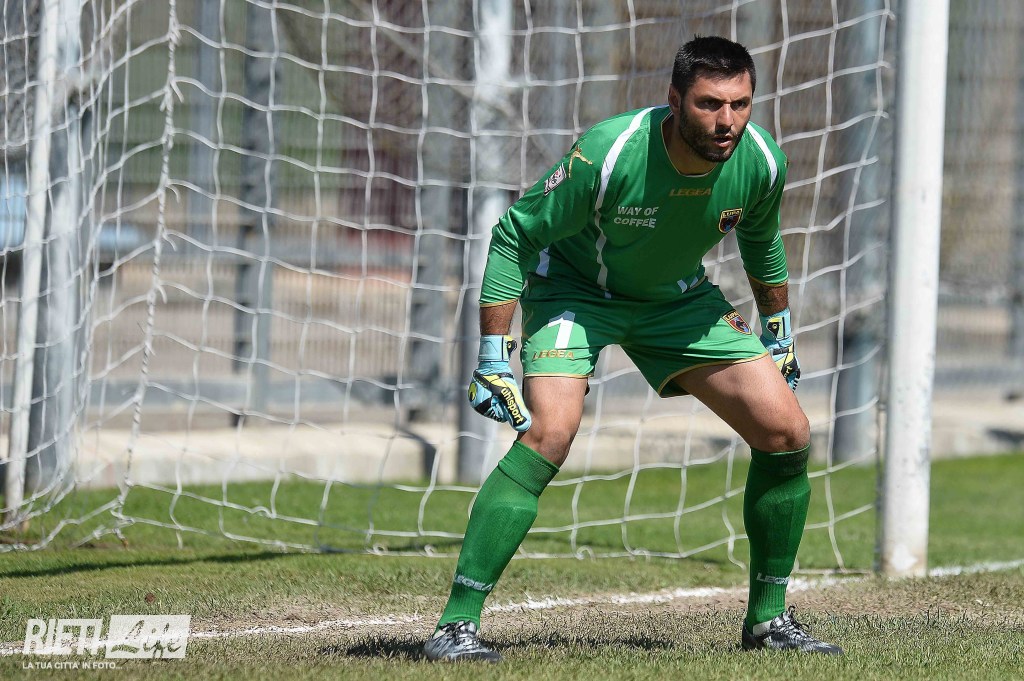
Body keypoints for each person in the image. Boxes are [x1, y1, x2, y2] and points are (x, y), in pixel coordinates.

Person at [423, 35, 843, 662]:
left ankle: (768, 621)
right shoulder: (609, 153)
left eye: (739, 104)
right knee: (550, 432)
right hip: (575, 292)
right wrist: (491, 354)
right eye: (709, 104)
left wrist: (779, 330)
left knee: (786, 432)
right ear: (674, 99)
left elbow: (763, 243)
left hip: (677, 301)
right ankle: (455, 627)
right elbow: (514, 234)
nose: (726, 121)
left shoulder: (761, 161)